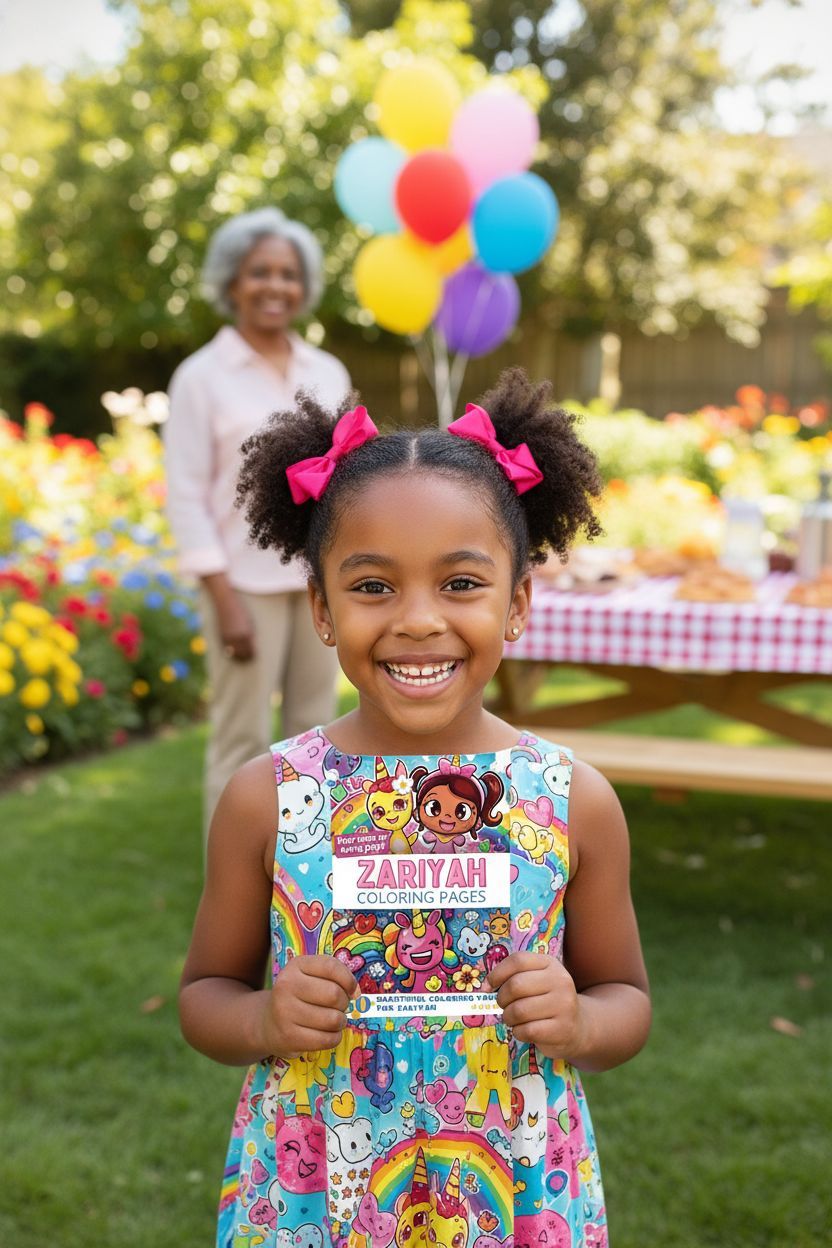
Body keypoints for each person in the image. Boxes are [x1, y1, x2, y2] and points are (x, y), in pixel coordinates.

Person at [179, 369, 651, 1248]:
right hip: (316, 1188)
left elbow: (627, 996)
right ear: (321, 609)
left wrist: (583, 1019)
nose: (419, 620)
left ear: (517, 604)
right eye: (372, 587)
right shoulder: (268, 800)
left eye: (462, 584)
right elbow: (205, 992)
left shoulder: (572, 800)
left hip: (514, 1185)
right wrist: (262, 1017)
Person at [164, 207, 350, 839]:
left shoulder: (327, 373)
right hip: (240, 585)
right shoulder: (201, 378)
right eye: (259, 272)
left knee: (317, 735)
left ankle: (308, 883)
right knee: (242, 742)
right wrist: (225, 603)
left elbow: (342, 481)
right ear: (232, 283)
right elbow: (185, 494)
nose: (275, 286)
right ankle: (233, 897)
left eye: (289, 274)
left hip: (315, 581)